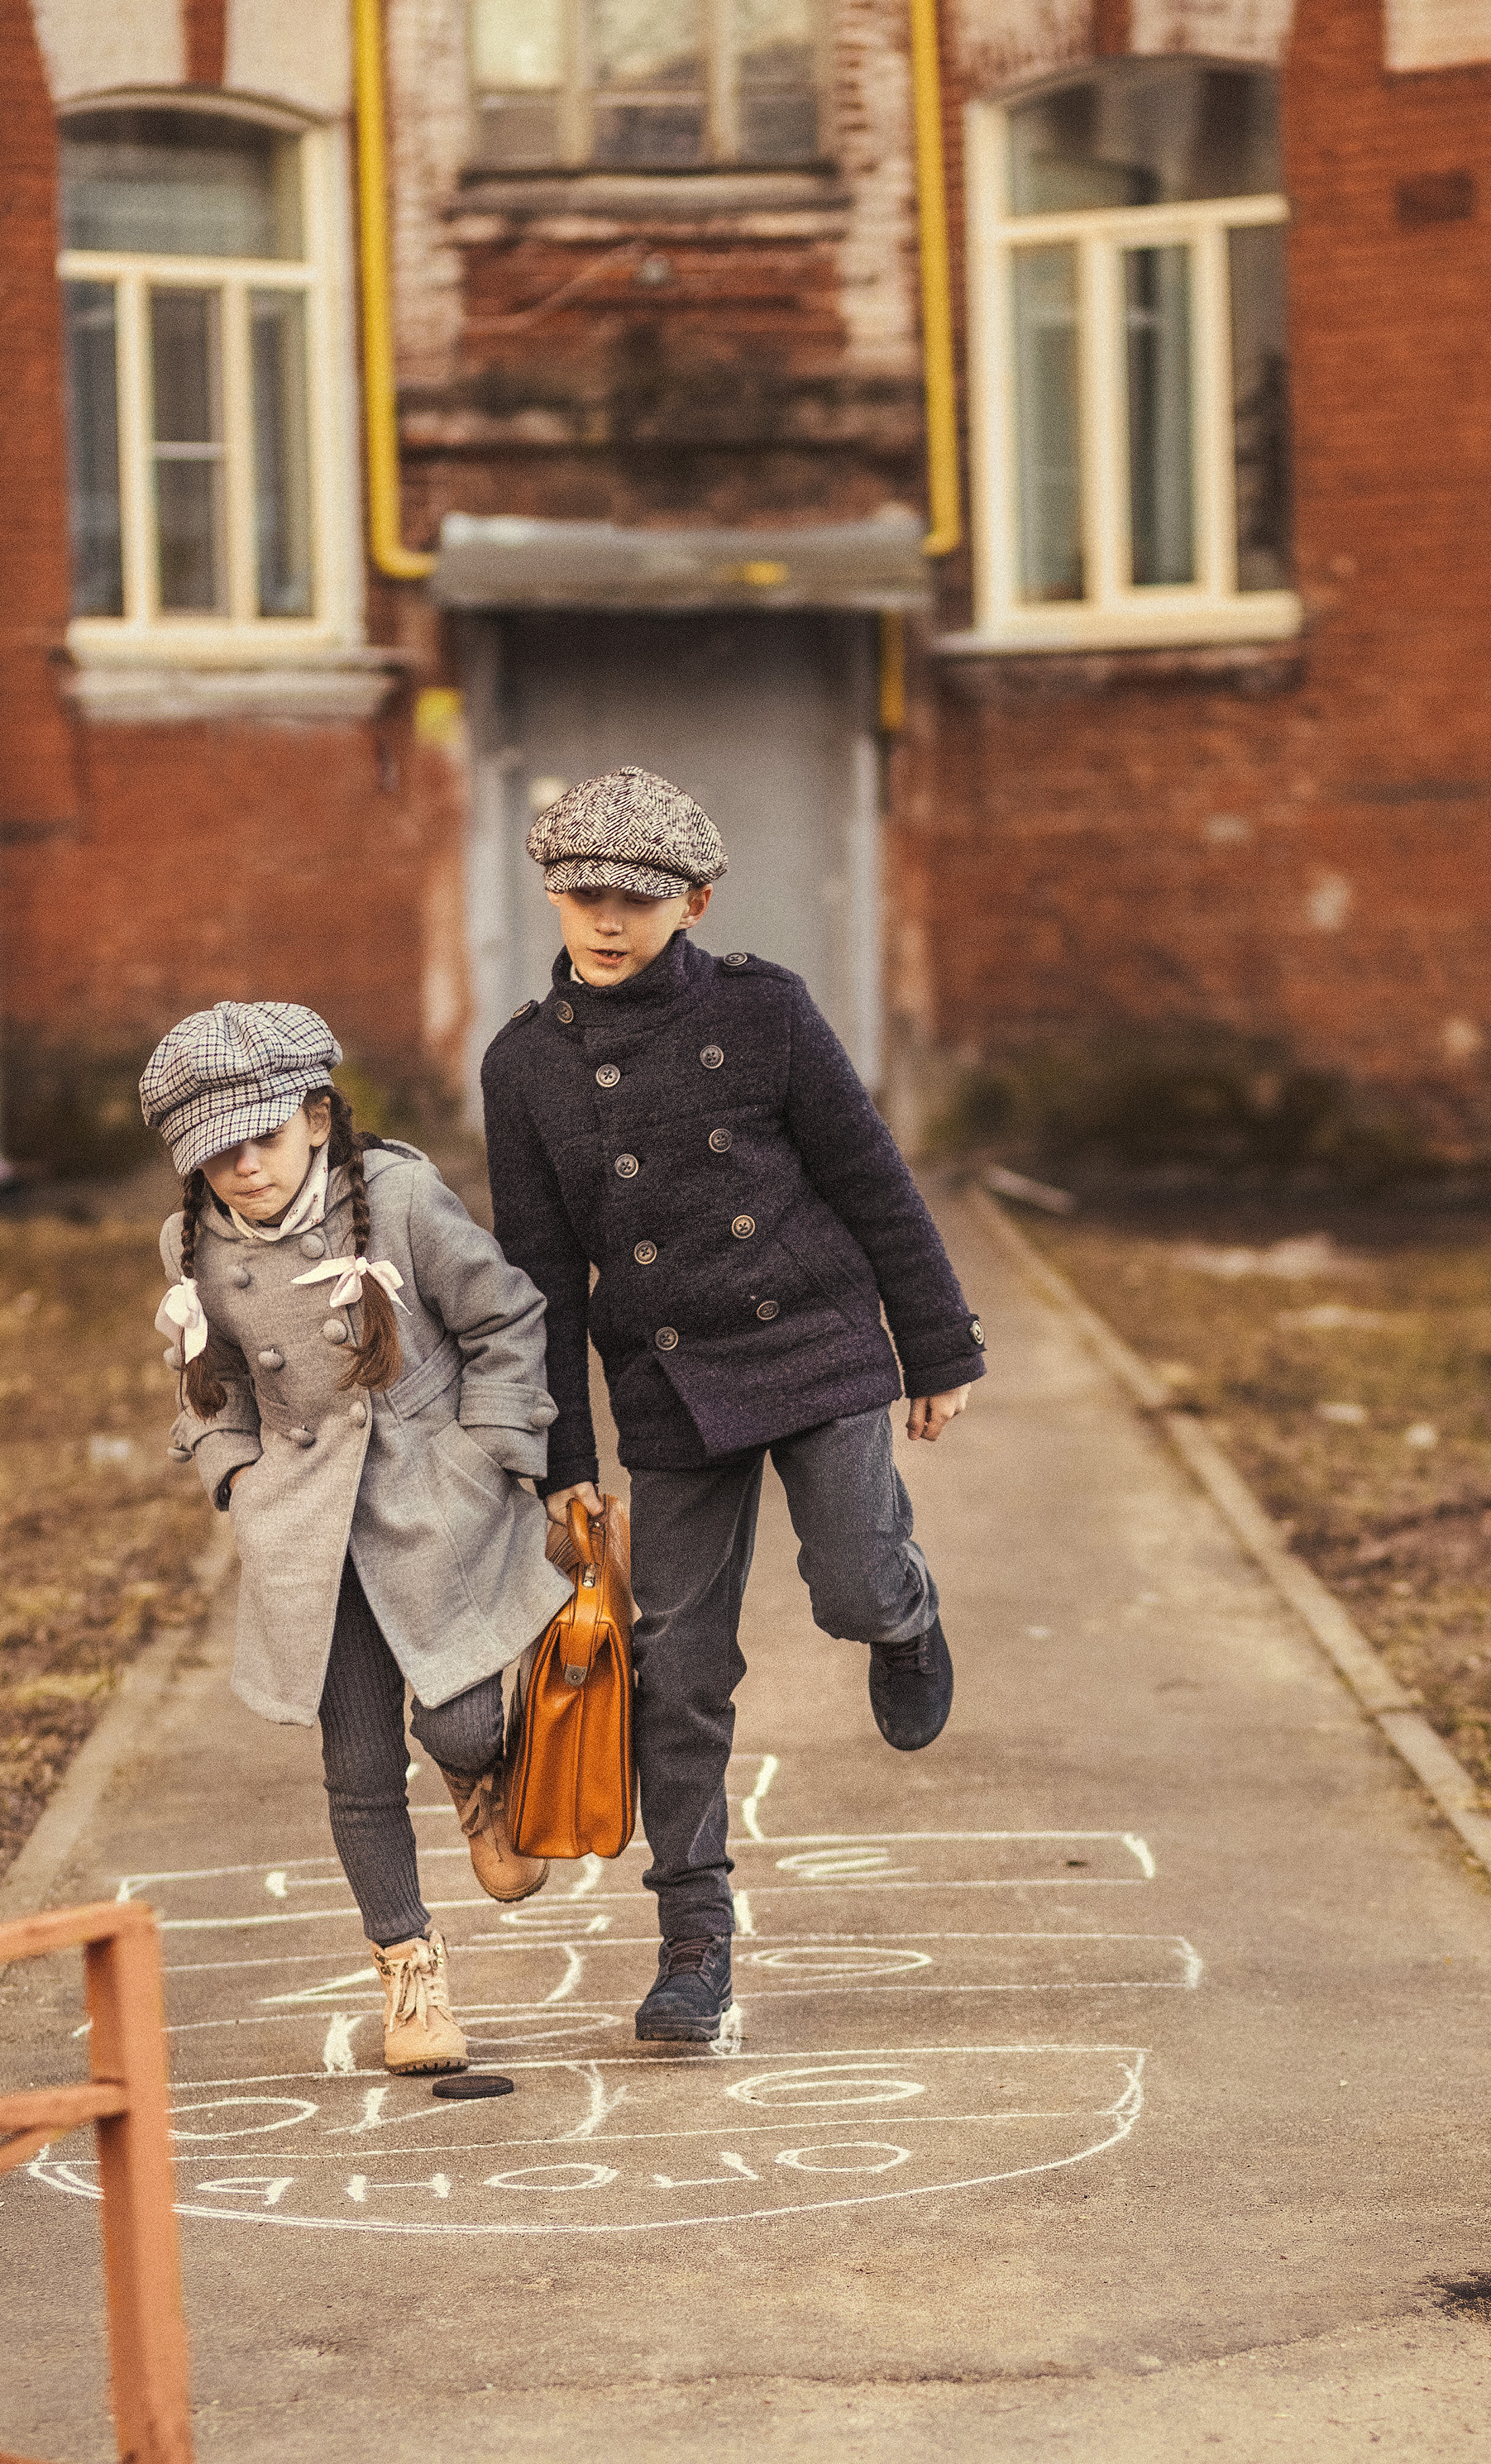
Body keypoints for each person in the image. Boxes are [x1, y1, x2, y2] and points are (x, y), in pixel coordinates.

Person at [481, 765, 987, 2045]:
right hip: (668, 1379)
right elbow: (541, 1269)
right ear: (550, 891)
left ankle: (908, 1613)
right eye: (584, 892)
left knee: (854, 1587)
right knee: (680, 1669)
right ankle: (693, 1938)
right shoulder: (526, 1066)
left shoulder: (767, 1013)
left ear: (694, 899)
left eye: (637, 899)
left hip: (815, 1336)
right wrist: (564, 1452)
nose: (606, 918)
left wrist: (938, 1347)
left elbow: (871, 1177)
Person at [139, 1001, 571, 2076]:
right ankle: (409, 1973)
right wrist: (234, 1473)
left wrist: (496, 1451)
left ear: (318, 1116)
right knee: (360, 1760)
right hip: (305, 1530)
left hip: (431, 1499)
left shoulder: (401, 1197)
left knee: (467, 1714)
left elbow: (507, 1317)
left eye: (265, 1135)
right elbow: (207, 1385)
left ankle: (480, 1778)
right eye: (215, 1150)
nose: (244, 1165)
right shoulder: (189, 1243)